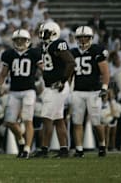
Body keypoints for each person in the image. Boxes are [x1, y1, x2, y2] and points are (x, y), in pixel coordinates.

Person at [0, 29, 43, 158]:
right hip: (14, 91)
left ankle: (27, 149)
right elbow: (3, 73)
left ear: (28, 41)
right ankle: (21, 142)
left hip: (29, 90)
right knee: (9, 121)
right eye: (17, 40)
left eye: (22, 40)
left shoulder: (34, 53)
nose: (19, 42)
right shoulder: (9, 54)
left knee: (28, 120)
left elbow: (43, 69)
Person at [33, 20, 75, 158]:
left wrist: (63, 80)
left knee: (46, 118)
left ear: (53, 33)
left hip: (57, 87)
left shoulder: (58, 44)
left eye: (45, 33)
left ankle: (44, 149)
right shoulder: (47, 46)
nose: (42, 35)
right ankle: (63, 149)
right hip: (52, 86)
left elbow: (70, 62)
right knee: (58, 119)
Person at [70, 26, 110, 157]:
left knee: (96, 121)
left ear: (90, 38)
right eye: (80, 37)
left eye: (85, 37)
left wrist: (104, 87)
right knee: (77, 121)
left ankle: (102, 145)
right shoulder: (73, 52)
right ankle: (79, 149)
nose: (82, 39)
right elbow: (70, 73)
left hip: (93, 91)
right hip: (77, 91)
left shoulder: (97, 51)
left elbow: (105, 72)